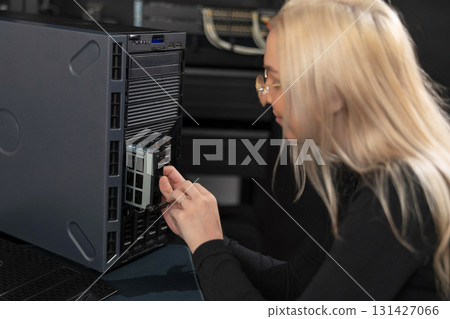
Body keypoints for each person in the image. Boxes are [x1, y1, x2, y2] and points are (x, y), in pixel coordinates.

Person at [158, 0, 450, 300]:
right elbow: (294, 284)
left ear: (335, 90)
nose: (265, 98)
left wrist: (207, 246)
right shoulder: (362, 172)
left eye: (277, 81)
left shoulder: (396, 194)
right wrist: (208, 237)